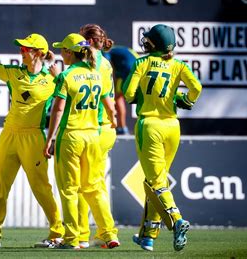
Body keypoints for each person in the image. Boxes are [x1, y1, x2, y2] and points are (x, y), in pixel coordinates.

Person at [0, 28, 64, 249]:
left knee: (41, 188)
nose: (21, 51)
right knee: (0, 187)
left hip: (34, 137)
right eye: (21, 48)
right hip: (9, 135)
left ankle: (57, 233)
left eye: (25, 48)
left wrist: (59, 77)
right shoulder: (13, 72)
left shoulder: (52, 80)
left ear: (38, 53)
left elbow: (70, 100)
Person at [122, 24, 202, 252]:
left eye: (148, 40)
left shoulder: (142, 63)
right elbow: (196, 87)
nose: (145, 42)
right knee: (157, 181)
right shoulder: (178, 65)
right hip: (173, 126)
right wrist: (183, 100)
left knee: (155, 182)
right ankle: (148, 235)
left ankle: (177, 221)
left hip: (149, 125)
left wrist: (144, 96)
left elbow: (128, 94)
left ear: (154, 44)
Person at [43, 33, 117, 249]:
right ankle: (109, 233)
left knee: (69, 190)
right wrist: (113, 122)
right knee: (94, 188)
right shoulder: (95, 73)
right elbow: (110, 105)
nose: (60, 53)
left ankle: (72, 238)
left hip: (72, 137)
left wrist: (50, 139)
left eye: (62, 50)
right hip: (94, 136)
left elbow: (58, 109)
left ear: (69, 53)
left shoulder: (67, 75)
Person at [76, 24, 120, 249]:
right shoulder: (104, 61)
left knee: (85, 186)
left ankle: (87, 234)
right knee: (95, 184)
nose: (78, 44)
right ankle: (103, 232)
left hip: (95, 127)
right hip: (106, 129)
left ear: (89, 41)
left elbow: (102, 97)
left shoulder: (91, 64)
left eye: (82, 40)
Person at [103, 45, 139, 134]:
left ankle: (122, 127)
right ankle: (122, 127)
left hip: (126, 71)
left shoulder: (105, 52)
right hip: (138, 68)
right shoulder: (121, 49)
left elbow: (108, 64)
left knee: (118, 98)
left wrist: (113, 81)